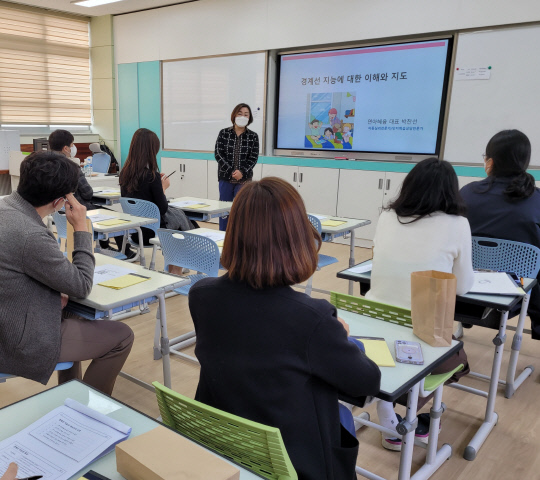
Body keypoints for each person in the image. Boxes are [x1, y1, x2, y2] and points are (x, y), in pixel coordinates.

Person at [189, 177, 381, 479]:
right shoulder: (313, 319)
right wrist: (340, 336)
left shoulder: (201, 295)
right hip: (294, 462)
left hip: (228, 445)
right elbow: (367, 383)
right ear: (297, 239)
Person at [0, 151, 134, 395]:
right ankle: (85, 412)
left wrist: (51, 293)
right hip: (13, 339)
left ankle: (69, 395)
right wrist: (81, 227)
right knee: (121, 336)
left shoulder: (4, 205)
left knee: (74, 312)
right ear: (60, 202)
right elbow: (82, 284)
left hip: (8, 314)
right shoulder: (30, 234)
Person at [366, 157, 473, 451]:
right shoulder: (457, 223)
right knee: (457, 357)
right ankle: (413, 417)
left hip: (373, 322)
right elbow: (462, 286)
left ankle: (387, 415)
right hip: (420, 333)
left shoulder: (388, 216)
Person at [460, 129, 540, 338]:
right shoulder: (536, 200)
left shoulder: (467, 193)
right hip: (518, 293)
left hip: (466, 289)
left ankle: (464, 323)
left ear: (490, 161)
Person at [119, 128, 195, 271]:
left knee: (184, 221)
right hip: (154, 232)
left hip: (136, 231)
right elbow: (162, 208)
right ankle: (177, 267)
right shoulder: (152, 176)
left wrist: (157, 186)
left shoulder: (124, 173)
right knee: (188, 225)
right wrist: (163, 188)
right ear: (150, 151)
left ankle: (179, 264)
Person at [214, 103, 259, 231]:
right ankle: (223, 236)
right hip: (225, 178)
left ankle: (240, 238)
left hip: (244, 181)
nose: (243, 116)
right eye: (240, 113)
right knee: (224, 211)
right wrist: (232, 171)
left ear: (249, 118)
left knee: (242, 211)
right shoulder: (224, 133)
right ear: (234, 115)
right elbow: (218, 154)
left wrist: (242, 172)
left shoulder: (253, 136)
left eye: (246, 114)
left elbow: (253, 158)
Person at [49, 129, 95, 211]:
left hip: (56, 213)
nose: (73, 147)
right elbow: (88, 193)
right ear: (66, 148)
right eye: (72, 145)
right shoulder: (72, 167)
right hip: (77, 210)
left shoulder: (43, 166)